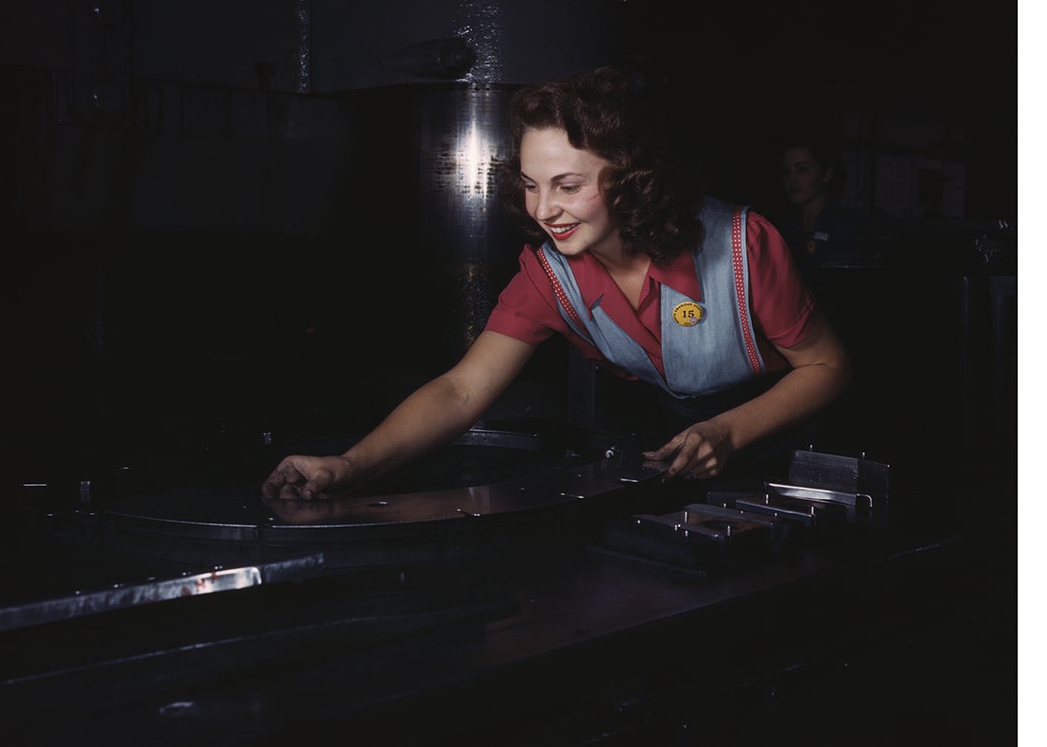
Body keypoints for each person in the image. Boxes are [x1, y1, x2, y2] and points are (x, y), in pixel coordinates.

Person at [263, 67, 852, 500]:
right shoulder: (547, 275)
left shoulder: (744, 244)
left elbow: (827, 368)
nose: (543, 209)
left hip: (787, 450)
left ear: (632, 178)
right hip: (684, 455)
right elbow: (461, 392)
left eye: (568, 186)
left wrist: (728, 430)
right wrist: (349, 465)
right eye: (529, 184)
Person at [775, 138, 889, 284]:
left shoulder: (849, 226)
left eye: (802, 169)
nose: (792, 179)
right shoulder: (782, 232)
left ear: (826, 174)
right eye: (786, 172)